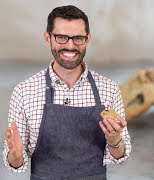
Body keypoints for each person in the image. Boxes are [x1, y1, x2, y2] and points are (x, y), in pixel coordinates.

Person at [3, 5, 131, 179]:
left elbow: (120, 157)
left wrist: (115, 140)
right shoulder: (24, 92)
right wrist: (16, 156)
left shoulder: (109, 89)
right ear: (48, 38)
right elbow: (15, 162)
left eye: (78, 38)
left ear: (88, 39)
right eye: (61, 38)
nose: (70, 46)